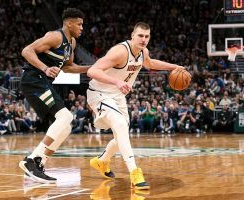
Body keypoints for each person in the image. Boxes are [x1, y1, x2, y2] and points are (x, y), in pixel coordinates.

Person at [86, 22, 184, 190]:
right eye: (140, 36)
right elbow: (92, 71)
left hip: (118, 96)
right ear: (132, 36)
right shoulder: (120, 52)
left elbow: (151, 63)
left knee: (121, 135)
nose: (143, 39)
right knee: (121, 125)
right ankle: (135, 172)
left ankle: (101, 161)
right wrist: (117, 81)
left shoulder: (143, 52)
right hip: (100, 93)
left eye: (146, 36)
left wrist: (173, 67)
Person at [19, 8, 90, 183]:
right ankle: (30, 160)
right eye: (79, 24)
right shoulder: (55, 36)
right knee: (65, 116)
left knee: (66, 126)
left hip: (44, 82)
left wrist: (91, 68)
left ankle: (39, 162)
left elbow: (68, 67)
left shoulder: (71, 43)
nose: (82, 28)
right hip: (34, 79)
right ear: (69, 23)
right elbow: (27, 51)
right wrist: (44, 68)